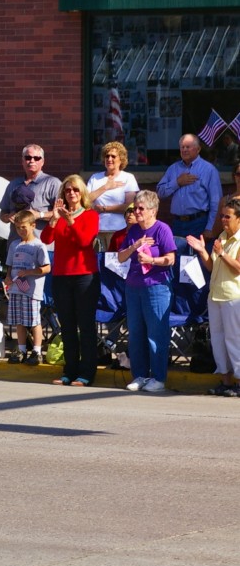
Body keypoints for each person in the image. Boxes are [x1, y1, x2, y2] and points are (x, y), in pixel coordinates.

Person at [42, 175, 101, 386]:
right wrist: (54, 219)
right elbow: (46, 239)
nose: (72, 193)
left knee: (85, 325)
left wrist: (71, 221)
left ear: (82, 192)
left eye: (75, 189)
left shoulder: (91, 215)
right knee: (67, 325)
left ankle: (87, 372)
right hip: (61, 276)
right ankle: (70, 370)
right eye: (67, 190)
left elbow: (84, 241)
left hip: (84, 276)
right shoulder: (59, 215)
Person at [116, 191, 176, 392]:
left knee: (156, 334)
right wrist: (135, 246)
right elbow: (121, 257)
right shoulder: (134, 230)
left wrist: (152, 260)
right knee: (136, 333)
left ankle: (158, 378)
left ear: (153, 210)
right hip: (133, 287)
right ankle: (140, 375)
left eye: (141, 208)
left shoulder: (162, 229)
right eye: (135, 208)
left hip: (156, 287)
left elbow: (171, 259)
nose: (137, 212)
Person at [187, 198, 240, 396]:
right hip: (215, 295)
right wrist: (202, 251)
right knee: (217, 339)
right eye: (222, 216)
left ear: (239, 219)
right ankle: (225, 381)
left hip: (233, 296)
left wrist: (223, 253)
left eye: (228, 216)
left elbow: (238, 269)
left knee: (234, 339)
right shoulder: (222, 236)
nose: (223, 219)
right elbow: (211, 266)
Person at [157, 133, 221, 247]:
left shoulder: (209, 170)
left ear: (198, 149)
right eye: (182, 147)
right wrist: (177, 182)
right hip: (178, 223)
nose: (184, 150)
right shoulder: (173, 169)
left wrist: (210, 227)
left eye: (188, 147)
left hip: (199, 222)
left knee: (197, 257)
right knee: (177, 256)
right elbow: (160, 192)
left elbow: (216, 202)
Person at [5, 210, 51, 366]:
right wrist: (8, 276)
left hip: (31, 290)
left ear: (33, 226)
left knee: (33, 320)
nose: (20, 230)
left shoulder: (38, 245)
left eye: (23, 227)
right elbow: (10, 265)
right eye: (18, 228)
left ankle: (37, 350)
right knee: (19, 320)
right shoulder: (14, 245)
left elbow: (46, 268)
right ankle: (22, 349)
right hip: (16, 288)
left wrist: (30, 272)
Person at [0, 144, 62, 236]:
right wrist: (8, 217)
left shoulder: (52, 183)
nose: (32, 161)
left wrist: (39, 215)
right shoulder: (13, 184)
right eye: (28, 157)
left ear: (42, 162)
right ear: (22, 161)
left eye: (36, 158)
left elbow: (62, 214)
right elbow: (3, 212)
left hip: (42, 242)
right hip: (16, 242)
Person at [87, 141, 139, 250]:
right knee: (97, 260)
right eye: (107, 156)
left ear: (121, 159)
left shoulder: (128, 178)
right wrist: (105, 187)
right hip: (96, 231)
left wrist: (104, 209)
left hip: (118, 230)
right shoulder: (95, 178)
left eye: (113, 156)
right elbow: (85, 201)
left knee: (116, 260)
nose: (109, 159)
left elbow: (130, 206)